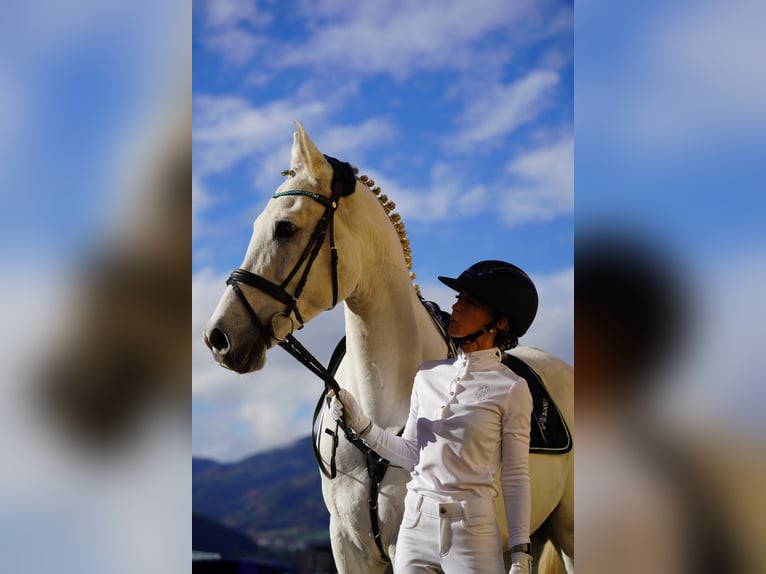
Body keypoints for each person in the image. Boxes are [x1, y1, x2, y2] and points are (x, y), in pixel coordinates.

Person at [330, 260, 537, 574]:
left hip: (472, 534)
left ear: (500, 322)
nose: (455, 307)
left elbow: (516, 476)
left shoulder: (511, 388)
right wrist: (360, 425)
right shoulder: (427, 375)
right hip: (414, 526)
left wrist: (521, 551)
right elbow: (412, 454)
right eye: (458, 298)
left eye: (470, 302)